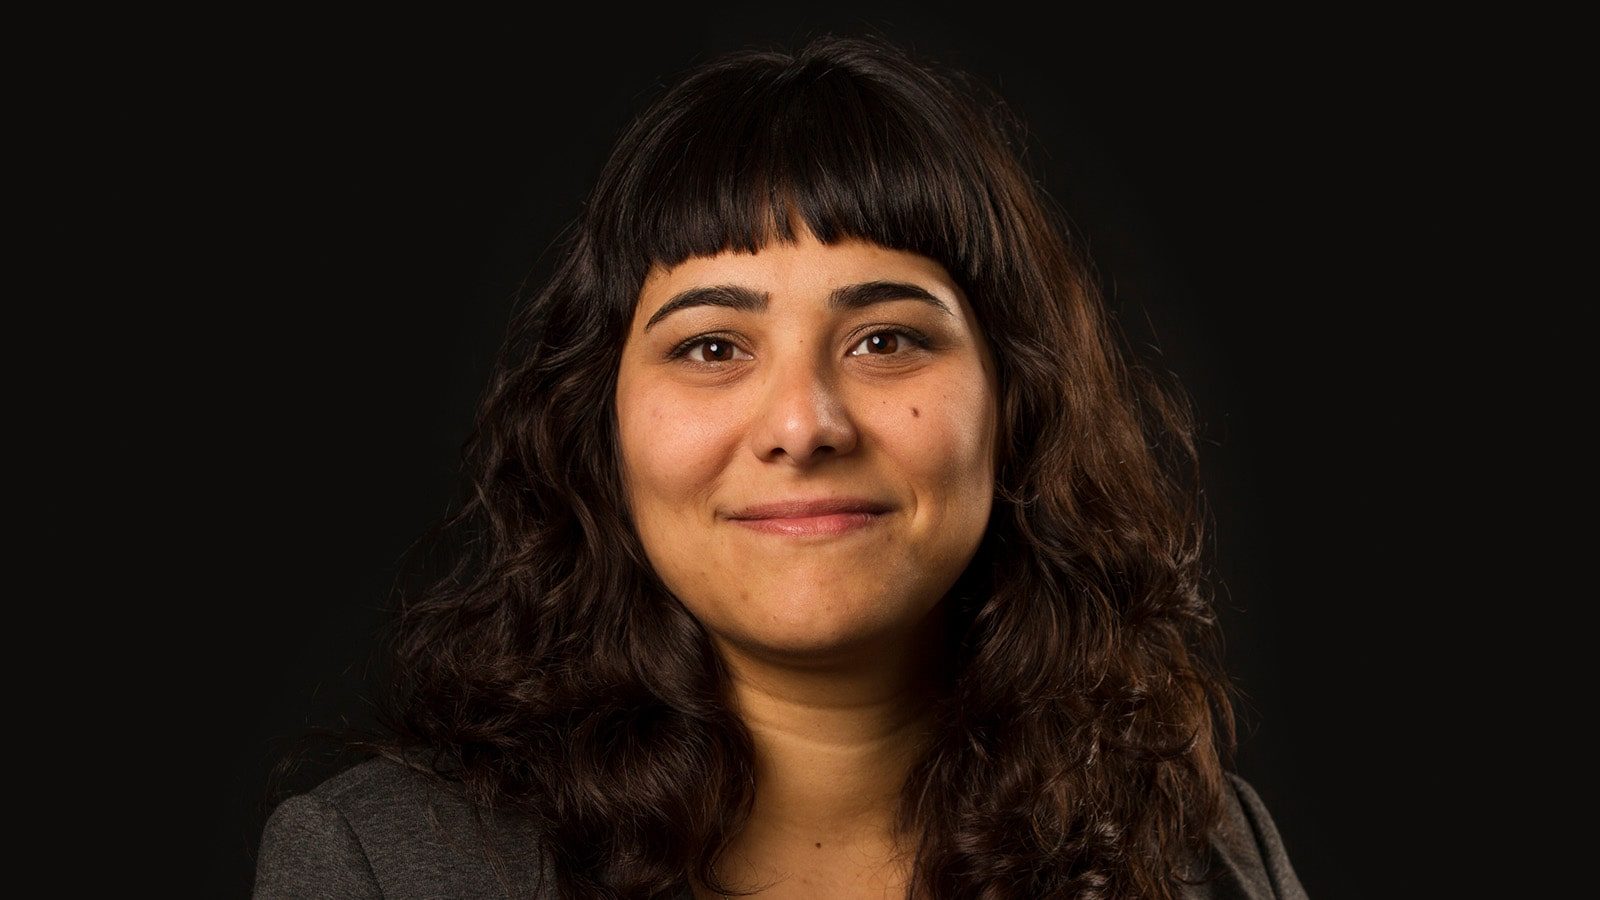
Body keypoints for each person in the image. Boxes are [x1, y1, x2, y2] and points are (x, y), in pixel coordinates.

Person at [253, 33, 1308, 900]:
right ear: (599, 427)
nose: (802, 426)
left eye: (886, 340)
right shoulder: (382, 868)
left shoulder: (1201, 853)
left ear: (1014, 404)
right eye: (712, 348)